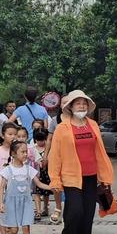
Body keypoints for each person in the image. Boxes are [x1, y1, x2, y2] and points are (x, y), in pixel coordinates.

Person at [48, 90, 114, 234]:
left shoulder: (93, 125)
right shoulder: (62, 128)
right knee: (75, 210)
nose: (82, 106)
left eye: (84, 103)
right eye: (78, 103)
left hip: (91, 176)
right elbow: (55, 155)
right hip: (71, 176)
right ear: (70, 106)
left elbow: (100, 152)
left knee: (88, 212)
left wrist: (104, 175)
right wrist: (55, 179)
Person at [0, 140, 51, 234]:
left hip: (26, 203)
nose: (25, 154)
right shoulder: (8, 170)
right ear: (14, 154)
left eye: (26, 151)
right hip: (11, 203)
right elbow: (1, 188)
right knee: (14, 230)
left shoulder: (29, 169)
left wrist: (51, 187)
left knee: (26, 228)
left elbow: (38, 183)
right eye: (22, 152)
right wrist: (1, 203)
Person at [44, 95, 68, 224]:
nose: (66, 105)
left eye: (68, 102)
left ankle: (69, 210)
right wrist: (45, 155)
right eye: (64, 102)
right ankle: (58, 207)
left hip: (71, 158)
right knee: (56, 182)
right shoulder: (55, 120)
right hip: (56, 156)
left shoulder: (78, 120)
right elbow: (49, 139)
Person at [32, 128, 51, 220]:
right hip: (36, 173)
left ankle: (45, 208)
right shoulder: (33, 148)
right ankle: (38, 211)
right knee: (37, 192)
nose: (40, 142)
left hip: (47, 172)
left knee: (46, 193)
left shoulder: (48, 148)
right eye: (38, 140)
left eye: (42, 140)